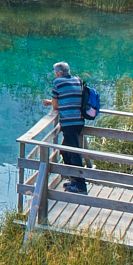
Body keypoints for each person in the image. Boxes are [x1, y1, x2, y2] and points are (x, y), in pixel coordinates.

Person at [45, 60, 95, 193]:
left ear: (58, 73)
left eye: (55, 72)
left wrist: (51, 103)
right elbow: (72, 98)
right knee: (65, 151)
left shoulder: (58, 82)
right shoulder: (77, 80)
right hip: (79, 121)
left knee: (73, 153)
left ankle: (81, 186)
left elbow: (56, 106)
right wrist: (52, 102)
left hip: (69, 122)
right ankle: (74, 180)